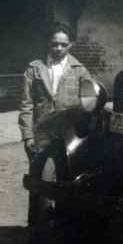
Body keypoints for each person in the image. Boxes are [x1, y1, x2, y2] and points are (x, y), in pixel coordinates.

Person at [18, 22, 90, 161]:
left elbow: (89, 101)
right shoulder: (34, 69)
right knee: (39, 172)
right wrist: (28, 136)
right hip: (41, 132)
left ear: (71, 44)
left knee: (66, 172)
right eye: (54, 44)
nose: (59, 48)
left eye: (64, 45)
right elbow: (26, 104)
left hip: (68, 133)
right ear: (48, 43)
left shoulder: (79, 70)